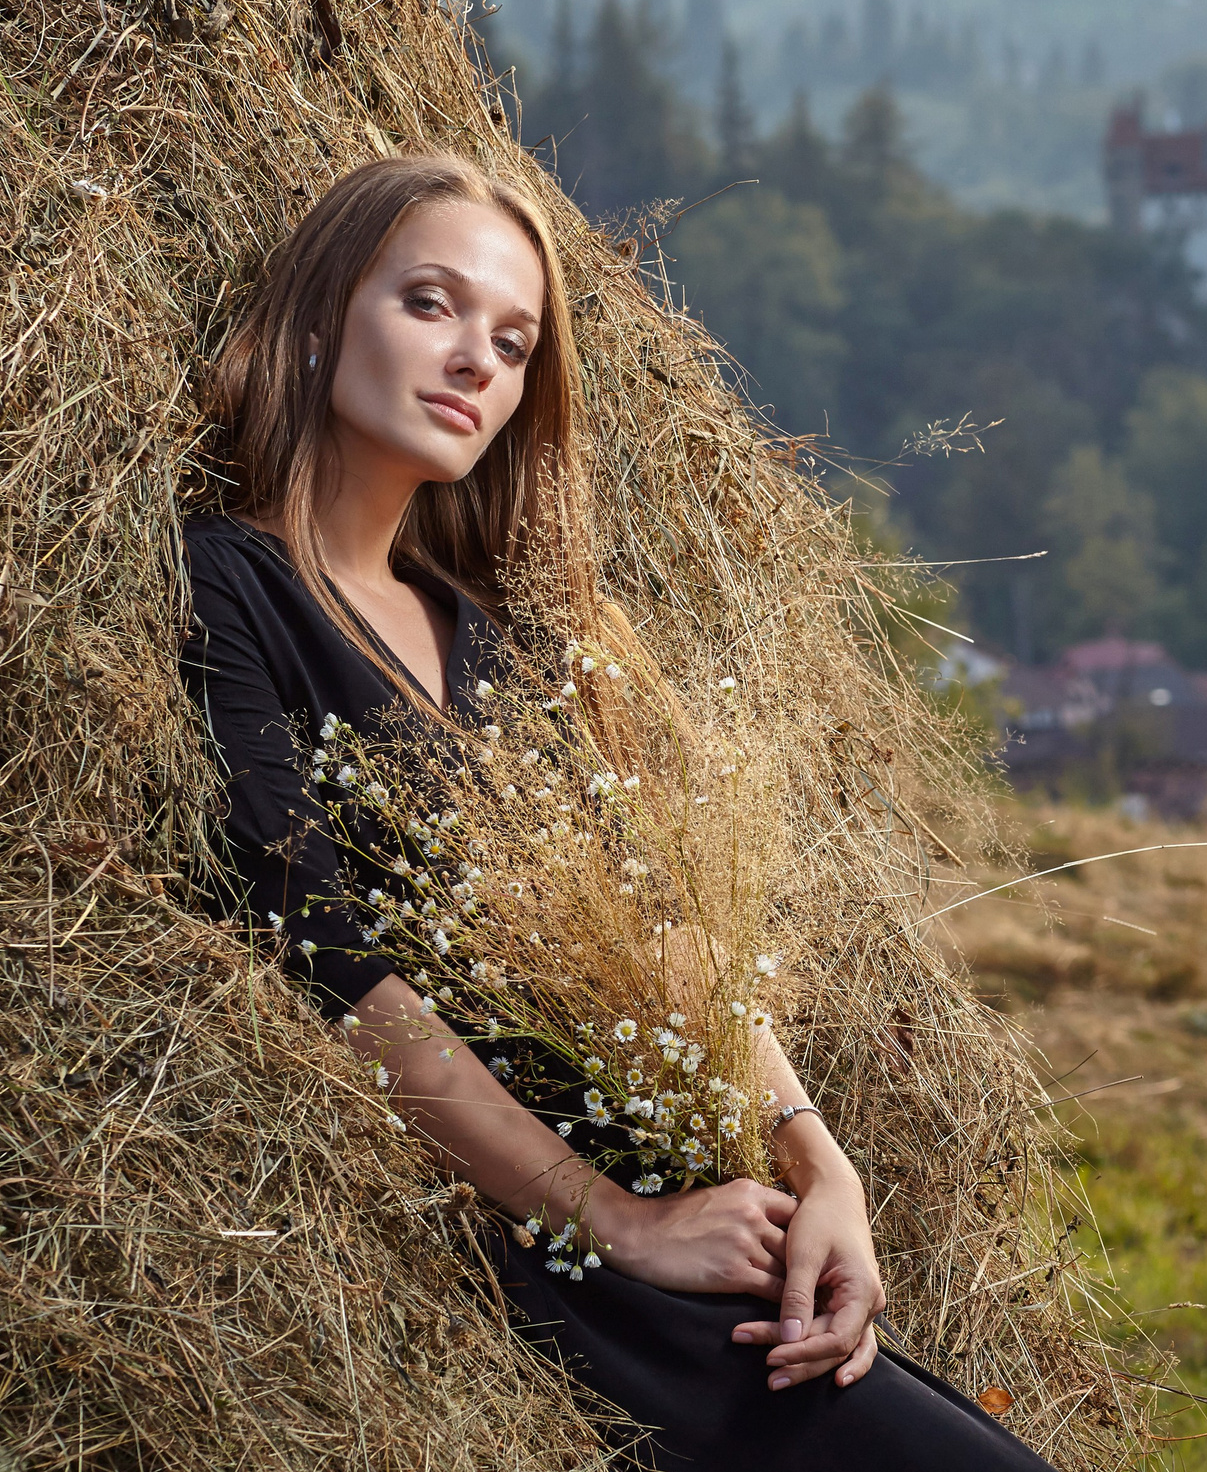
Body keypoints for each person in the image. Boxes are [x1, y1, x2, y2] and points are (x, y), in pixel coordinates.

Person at [180, 154, 1053, 1469]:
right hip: (507, 1243)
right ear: (317, 318)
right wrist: (611, 1223)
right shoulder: (234, 586)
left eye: (514, 339)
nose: (476, 356)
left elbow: (667, 940)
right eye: (431, 304)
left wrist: (823, 1169)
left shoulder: (509, 639)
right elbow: (330, 962)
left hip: (662, 1213)